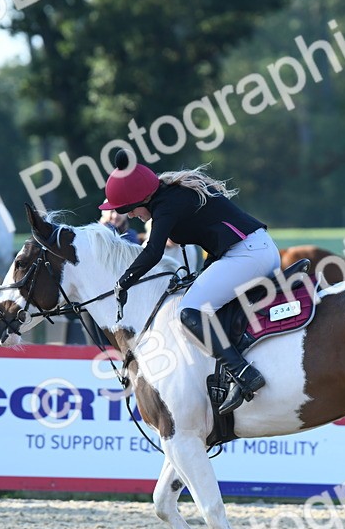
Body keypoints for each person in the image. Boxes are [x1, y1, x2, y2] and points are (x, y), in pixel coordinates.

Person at [101, 153, 281, 415]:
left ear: (142, 199)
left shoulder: (167, 204)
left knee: (190, 311)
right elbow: (216, 240)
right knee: (199, 300)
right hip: (250, 250)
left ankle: (243, 373)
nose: (131, 215)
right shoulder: (168, 196)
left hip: (248, 254)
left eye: (130, 208)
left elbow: (153, 252)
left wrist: (123, 282)